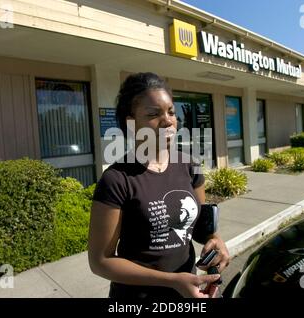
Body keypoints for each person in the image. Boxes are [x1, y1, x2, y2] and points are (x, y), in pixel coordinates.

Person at [88, 72, 230, 298]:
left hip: (191, 292)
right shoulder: (116, 179)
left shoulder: (189, 165)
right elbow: (100, 261)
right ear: (131, 123)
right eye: (154, 114)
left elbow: (201, 229)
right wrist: (172, 281)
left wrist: (216, 241)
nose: (168, 121)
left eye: (171, 112)